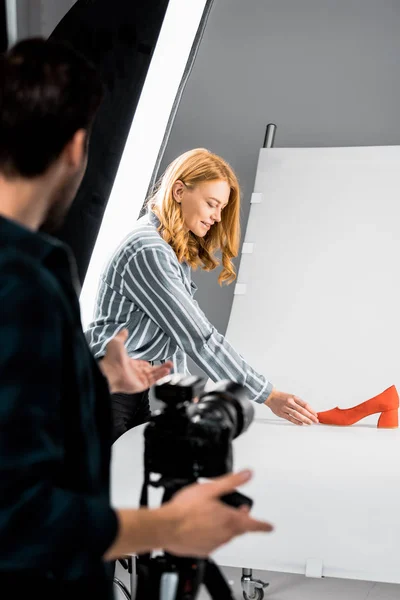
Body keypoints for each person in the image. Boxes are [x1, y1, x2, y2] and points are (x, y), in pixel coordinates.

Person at [0, 38, 273, 599]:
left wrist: (98, 377)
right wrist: (169, 528)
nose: (217, 217)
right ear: (77, 148)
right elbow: (20, 516)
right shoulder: (25, 279)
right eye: (213, 204)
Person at [86, 149, 319, 440]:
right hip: (106, 392)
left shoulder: (168, 250)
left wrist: (187, 394)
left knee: (138, 476)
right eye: (212, 204)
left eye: (221, 208)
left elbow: (176, 337)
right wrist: (268, 394)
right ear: (180, 191)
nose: (217, 218)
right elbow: (199, 338)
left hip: (130, 392)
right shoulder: (149, 250)